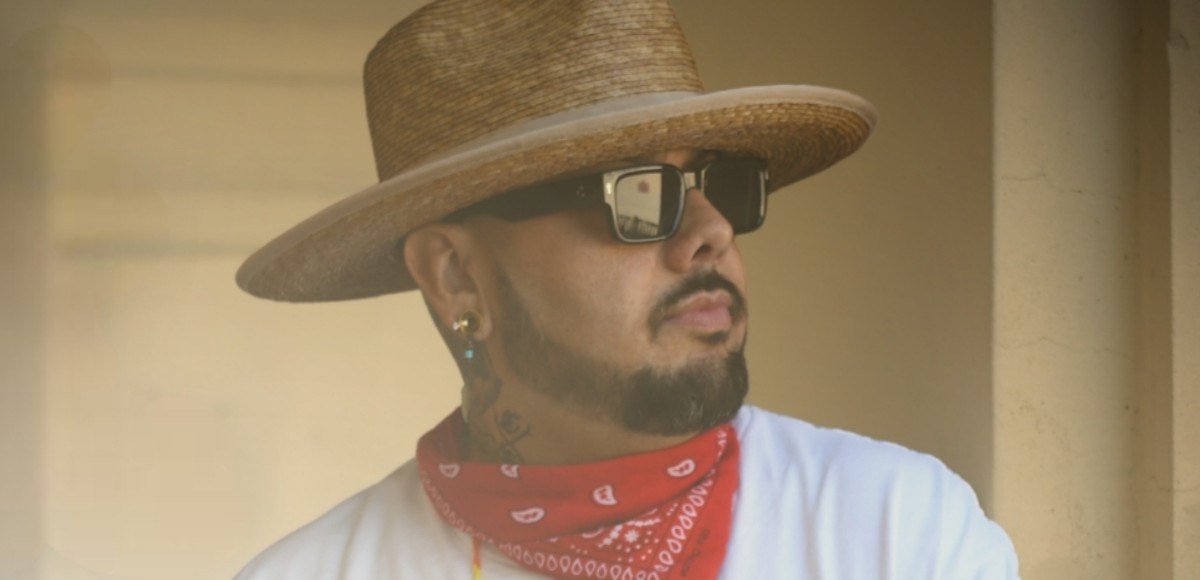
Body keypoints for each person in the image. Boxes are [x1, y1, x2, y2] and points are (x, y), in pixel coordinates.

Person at [234, 0, 1019, 577]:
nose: (712, 230)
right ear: (456, 275)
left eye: (718, 184)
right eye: (638, 194)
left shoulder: (895, 530)